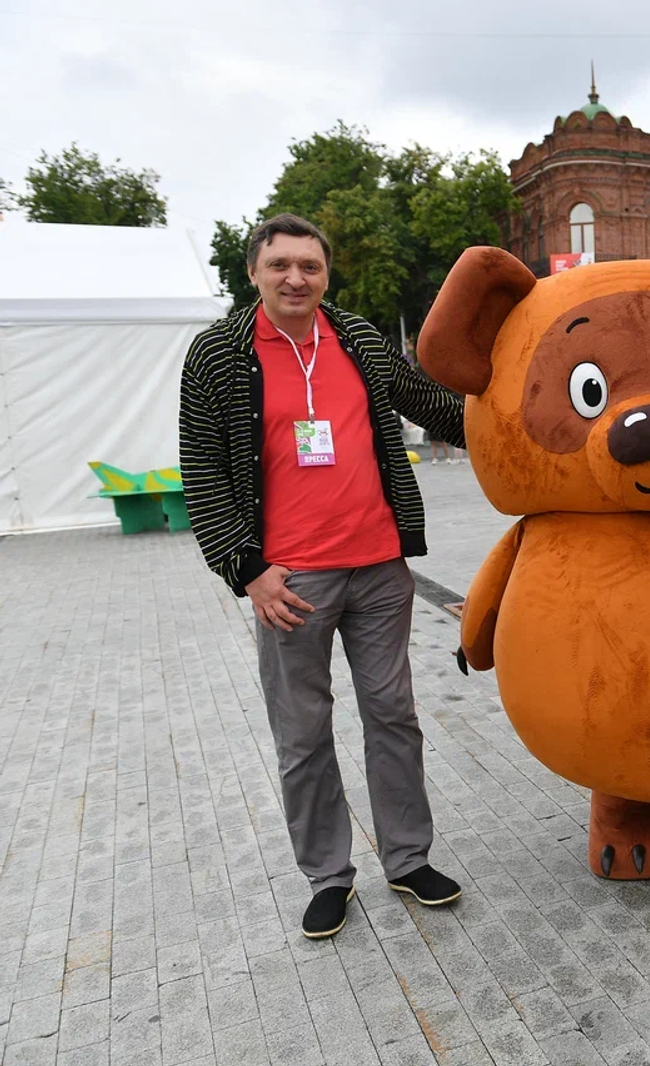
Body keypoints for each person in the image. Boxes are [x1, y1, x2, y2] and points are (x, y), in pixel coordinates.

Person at [178, 213, 468, 940]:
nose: (295, 278)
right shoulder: (218, 354)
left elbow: (430, 403)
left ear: (326, 273)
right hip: (291, 582)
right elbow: (201, 468)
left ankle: (408, 858)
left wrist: (530, 419)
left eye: (309, 265)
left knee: (393, 715)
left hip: (378, 568)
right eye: (280, 265)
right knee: (303, 733)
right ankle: (329, 877)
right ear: (254, 272)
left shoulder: (358, 338)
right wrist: (247, 571)